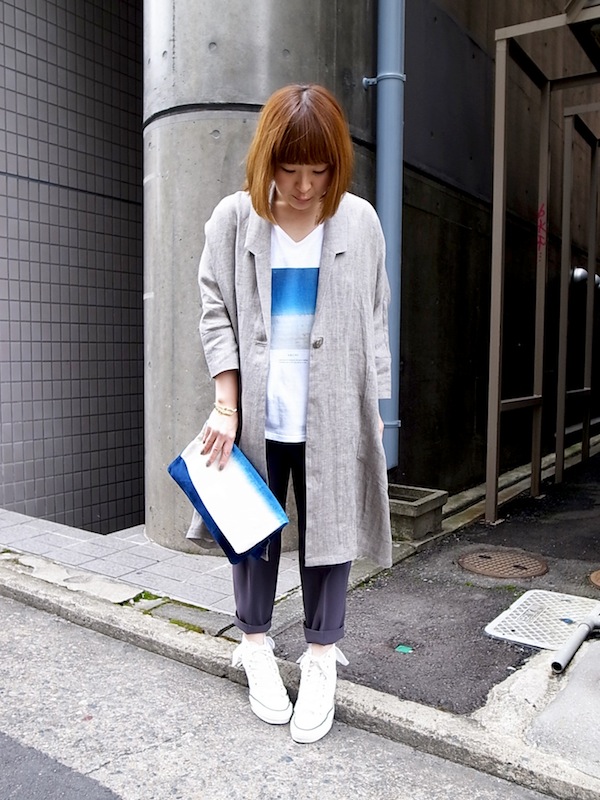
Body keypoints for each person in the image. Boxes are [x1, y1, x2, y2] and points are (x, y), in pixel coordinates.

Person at [198, 83, 392, 744]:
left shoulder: (359, 221)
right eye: (289, 169)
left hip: (332, 410)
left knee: (330, 536)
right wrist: (226, 404)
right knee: (252, 533)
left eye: (319, 170)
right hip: (259, 412)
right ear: (266, 162)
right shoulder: (234, 219)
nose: (305, 186)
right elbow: (215, 312)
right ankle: (254, 646)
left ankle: (320, 658)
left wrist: (374, 404)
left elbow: (374, 313)